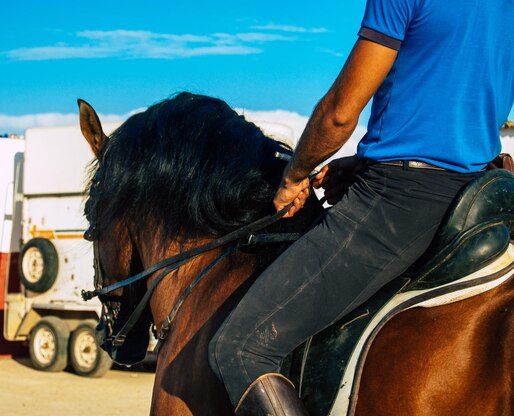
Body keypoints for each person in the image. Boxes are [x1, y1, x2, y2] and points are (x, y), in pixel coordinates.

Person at [208, 0, 514, 414]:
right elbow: (456, 105)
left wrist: (296, 174)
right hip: (480, 196)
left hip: (399, 203)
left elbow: (339, 114)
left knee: (239, 349)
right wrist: (366, 161)